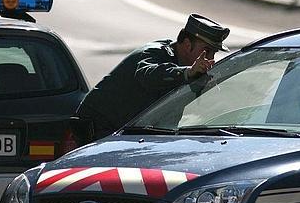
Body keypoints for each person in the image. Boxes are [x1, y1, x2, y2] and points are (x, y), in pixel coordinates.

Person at [75, 14, 230, 139]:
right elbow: (147, 74)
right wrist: (187, 72)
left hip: (128, 132)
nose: (211, 59)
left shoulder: (190, 70)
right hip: (97, 128)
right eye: (206, 51)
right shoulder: (156, 52)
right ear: (188, 44)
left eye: (213, 54)